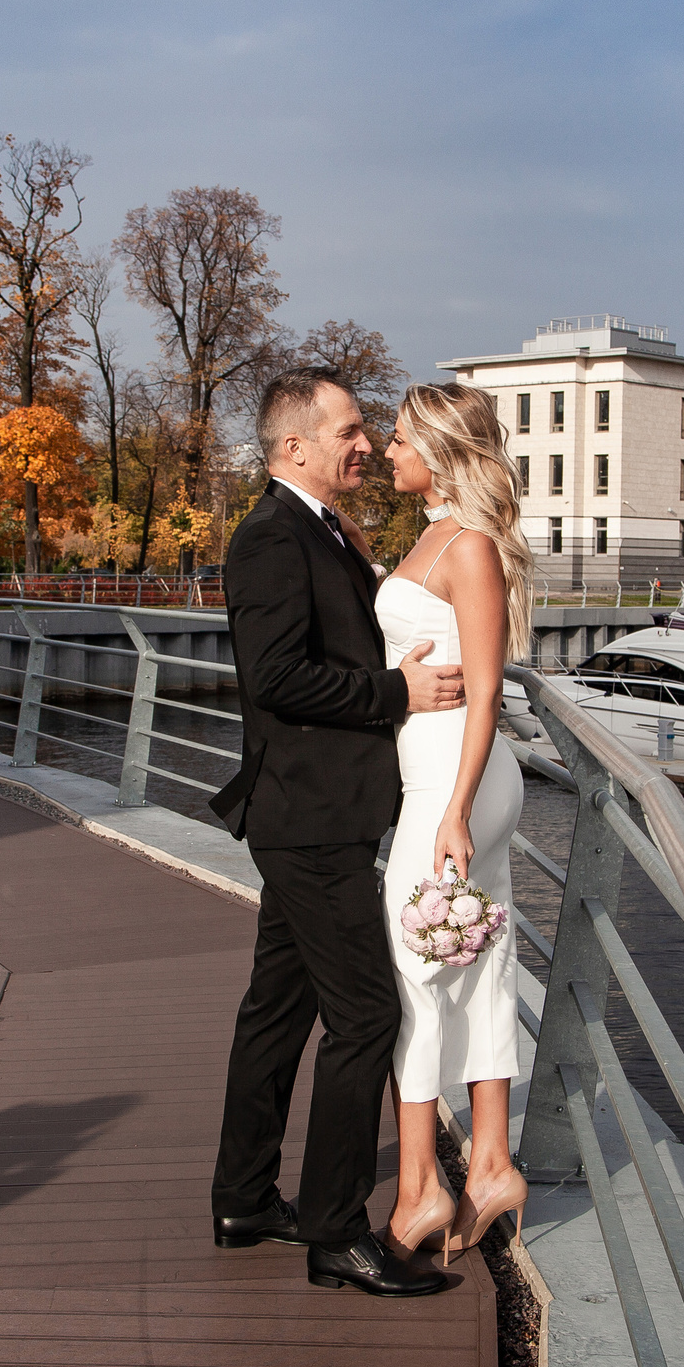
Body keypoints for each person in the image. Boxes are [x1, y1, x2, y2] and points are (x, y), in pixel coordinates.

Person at [208, 367, 466, 1298]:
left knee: (278, 1011)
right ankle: (333, 1232)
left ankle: (243, 1198)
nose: (364, 443)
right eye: (350, 430)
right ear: (295, 447)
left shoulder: (319, 530)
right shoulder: (273, 537)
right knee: (366, 1015)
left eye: (365, 431)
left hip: (314, 812)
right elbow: (276, 678)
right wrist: (398, 694)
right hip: (310, 819)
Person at [377, 382, 533, 1263]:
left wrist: (456, 810)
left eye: (399, 439)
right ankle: (492, 1165)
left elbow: (487, 690)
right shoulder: (434, 535)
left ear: (437, 450)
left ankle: (419, 1191)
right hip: (438, 777)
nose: (388, 452)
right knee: (477, 966)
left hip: (451, 782)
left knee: (416, 971)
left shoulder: (467, 545)